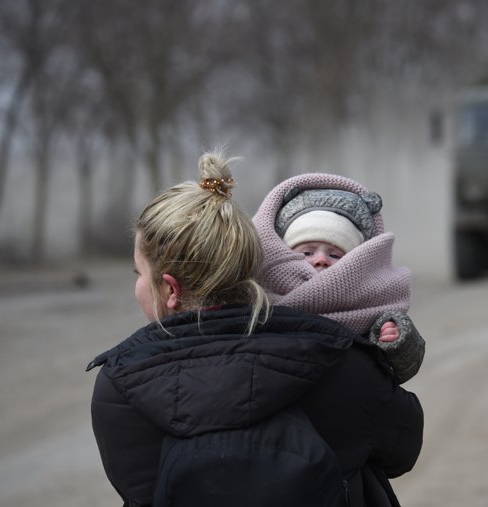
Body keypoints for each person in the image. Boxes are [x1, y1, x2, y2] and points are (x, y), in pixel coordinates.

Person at [87, 151, 423, 506]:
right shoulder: (343, 360)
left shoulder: (119, 384)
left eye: (139, 273)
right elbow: (402, 449)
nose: (138, 284)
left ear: (170, 289)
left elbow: (139, 490)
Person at [252, 173, 425, 384]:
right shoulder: (262, 302)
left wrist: (397, 341)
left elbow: (403, 368)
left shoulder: (370, 303)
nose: (321, 260)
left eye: (334, 254)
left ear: (355, 261)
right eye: (308, 252)